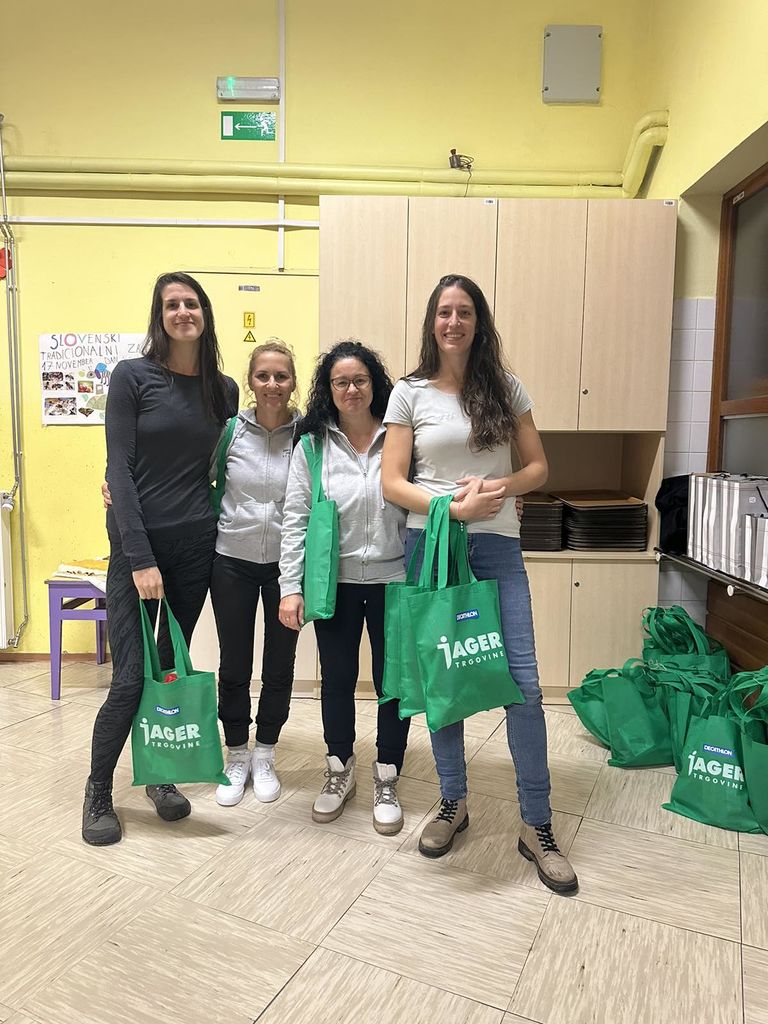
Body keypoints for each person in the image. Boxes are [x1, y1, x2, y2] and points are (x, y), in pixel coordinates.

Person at [381, 273, 578, 894]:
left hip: (497, 547)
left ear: (478, 322)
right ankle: (452, 802)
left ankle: (537, 823)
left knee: (523, 683)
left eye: (464, 312)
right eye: (444, 312)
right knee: (445, 678)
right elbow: (392, 481)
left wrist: (498, 488)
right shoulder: (409, 393)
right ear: (431, 322)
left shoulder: (506, 388)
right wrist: (451, 508)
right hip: (433, 544)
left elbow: (538, 467)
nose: (454, 322)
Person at [83, 271, 238, 846]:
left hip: (195, 547)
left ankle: (159, 774)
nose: (182, 312)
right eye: (171, 304)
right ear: (160, 315)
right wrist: (140, 556)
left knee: (168, 669)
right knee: (129, 678)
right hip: (137, 549)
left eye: (191, 303)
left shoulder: (222, 389)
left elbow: (225, 463)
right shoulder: (132, 376)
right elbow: (118, 470)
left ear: (205, 313)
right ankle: (99, 789)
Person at [278, 340, 410, 835]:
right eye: (340, 382)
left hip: (394, 580)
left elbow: (430, 490)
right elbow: (295, 519)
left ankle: (387, 774)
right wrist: (290, 587)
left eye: (359, 380)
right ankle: (339, 768)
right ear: (328, 389)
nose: (351, 389)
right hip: (333, 584)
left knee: (393, 682)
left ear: (374, 384)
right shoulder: (312, 446)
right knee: (335, 679)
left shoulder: (400, 437)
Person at [210, 341, 300, 806]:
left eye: (281, 376)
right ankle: (236, 753)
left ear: (292, 382)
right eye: (263, 375)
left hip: (287, 568)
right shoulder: (229, 431)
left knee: (280, 663)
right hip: (231, 562)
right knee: (235, 664)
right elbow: (189, 477)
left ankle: (265, 753)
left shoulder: (306, 436)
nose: (272, 384)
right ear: (250, 381)